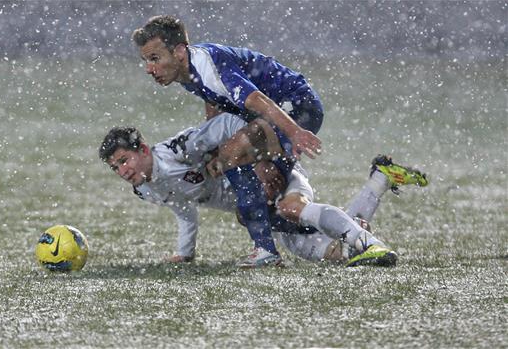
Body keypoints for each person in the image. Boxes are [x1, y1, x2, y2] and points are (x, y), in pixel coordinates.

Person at [99, 113, 429, 267]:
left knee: (293, 211)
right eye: (115, 167)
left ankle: (366, 242)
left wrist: (262, 159)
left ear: (142, 149)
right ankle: (379, 181)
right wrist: (185, 253)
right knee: (321, 250)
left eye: (123, 160)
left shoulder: (177, 150)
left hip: (275, 176)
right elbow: (184, 210)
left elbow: (227, 123)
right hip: (260, 210)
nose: (122, 171)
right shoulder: (146, 190)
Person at [131, 15, 325, 264]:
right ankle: (337, 229)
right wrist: (217, 151)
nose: (149, 68)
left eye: (154, 58)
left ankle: (266, 250)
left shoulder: (208, 65)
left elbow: (255, 99)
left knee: (233, 157)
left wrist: (294, 131)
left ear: (179, 51)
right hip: (271, 116)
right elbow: (215, 100)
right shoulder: (188, 71)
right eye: (145, 60)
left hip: (295, 106)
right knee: (257, 203)